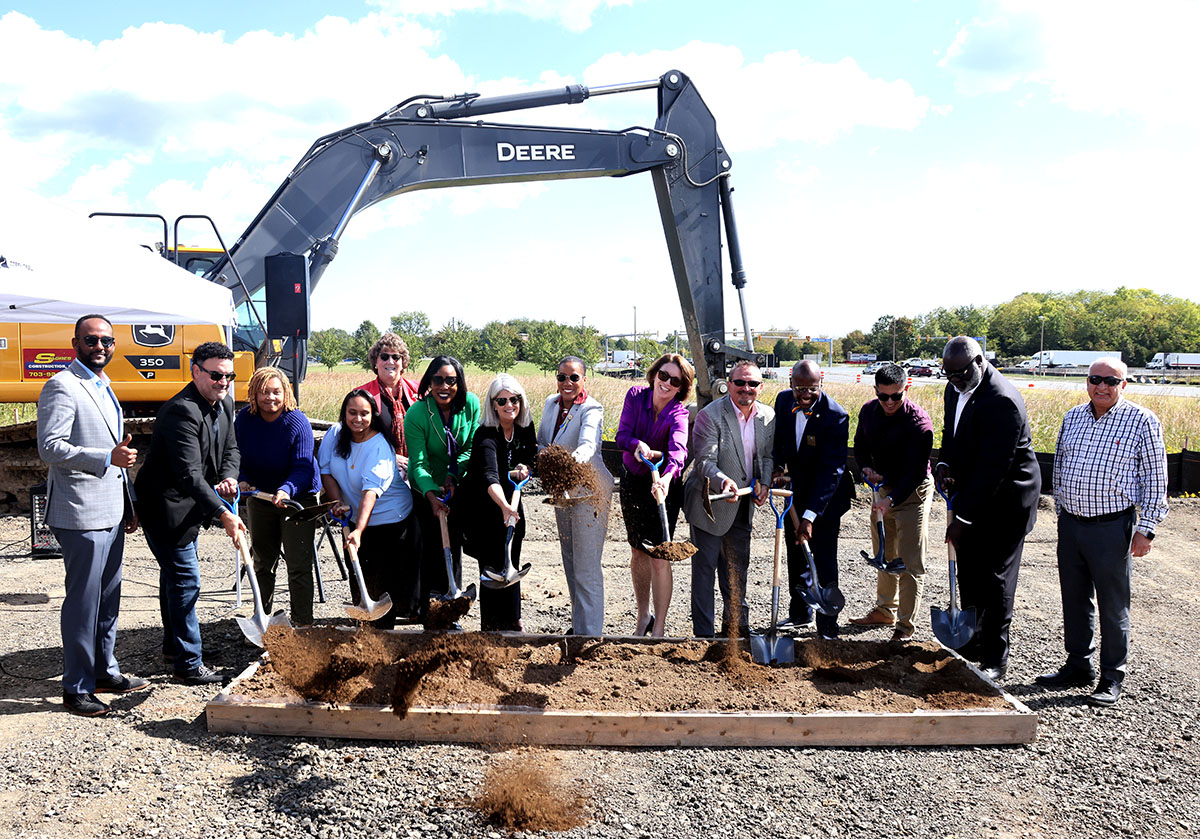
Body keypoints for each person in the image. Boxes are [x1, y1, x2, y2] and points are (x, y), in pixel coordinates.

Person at [1037, 357, 1168, 707]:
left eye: (1112, 381)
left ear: (1124, 385)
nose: (1103, 387)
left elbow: (1156, 480)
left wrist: (1147, 530)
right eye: (1096, 379)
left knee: (1113, 604)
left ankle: (1112, 675)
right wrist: (1062, 511)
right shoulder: (1073, 417)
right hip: (1072, 524)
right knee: (1075, 599)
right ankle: (1078, 664)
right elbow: (1062, 465)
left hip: (1112, 526)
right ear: (1087, 382)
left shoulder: (1141, 421)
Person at [37, 314, 147, 717]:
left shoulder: (103, 384)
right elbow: (50, 447)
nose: (100, 346)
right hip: (80, 513)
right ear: (75, 343)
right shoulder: (62, 386)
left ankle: (104, 671)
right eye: (91, 340)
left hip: (111, 510)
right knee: (84, 603)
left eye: (106, 340)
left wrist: (127, 503)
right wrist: (105, 457)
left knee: (108, 598)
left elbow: (116, 455)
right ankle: (77, 688)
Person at [135, 341, 245, 686]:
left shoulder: (223, 404)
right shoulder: (180, 411)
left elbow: (231, 449)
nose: (223, 382)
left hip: (190, 506)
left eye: (229, 376)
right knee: (186, 579)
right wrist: (224, 513)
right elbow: (189, 475)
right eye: (215, 375)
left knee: (174, 578)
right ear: (195, 370)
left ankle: (175, 647)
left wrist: (229, 475)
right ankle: (188, 663)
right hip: (165, 507)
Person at [936, 336, 1041, 681]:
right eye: (948, 375)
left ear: (980, 361)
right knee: (968, 570)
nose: (955, 382)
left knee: (994, 578)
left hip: (1007, 501)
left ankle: (996, 656)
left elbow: (992, 469)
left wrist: (962, 518)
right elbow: (952, 435)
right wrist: (944, 465)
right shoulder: (956, 388)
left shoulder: (1003, 401)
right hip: (974, 492)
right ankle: (973, 641)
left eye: (961, 374)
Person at [682, 361, 774, 638]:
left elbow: (766, 457)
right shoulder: (711, 415)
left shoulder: (767, 417)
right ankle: (704, 636)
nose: (746, 389)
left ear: (760, 386)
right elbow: (704, 461)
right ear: (729, 384)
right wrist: (724, 480)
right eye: (740, 383)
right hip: (709, 502)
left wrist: (765, 482)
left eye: (753, 384)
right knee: (705, 571)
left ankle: (734, 630)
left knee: (736, 569)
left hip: (742, 504)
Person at [318, 389, 418, 629]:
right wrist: (337, 503)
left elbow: (369, 493)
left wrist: (358, 531)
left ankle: (385, 637)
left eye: (364, 413)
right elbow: (326, 470)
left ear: (373, 415)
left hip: (390, 520)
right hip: (354, 517)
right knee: (358, 571)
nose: (358, 419)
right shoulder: (336, 434)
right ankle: (363, 628)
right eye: (352, 413)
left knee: (385, 582)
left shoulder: (380, 446)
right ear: (344, 414)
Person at [849, 362, 935, 641]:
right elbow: (860, 446)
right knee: (884, 553)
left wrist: (891, 500)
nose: (889, 402)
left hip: (913, 493)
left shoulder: (919, 424)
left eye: (895, 396)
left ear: (905, 389)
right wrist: (865, 470)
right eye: (883, 396)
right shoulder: (868, 412)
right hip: (883, 488)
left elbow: (914, 473)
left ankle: (905, 626)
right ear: (875, 391)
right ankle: (885, 610)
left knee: (910, 561)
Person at [771, 360, 854, 639]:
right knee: (796, 554)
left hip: (826, 498)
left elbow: (833, 470)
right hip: (796, 490)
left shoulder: (835, 416)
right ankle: (800, 612)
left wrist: (810, 516)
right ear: (791, 383)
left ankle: (828, 624)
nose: (805, 395)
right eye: (800, 388)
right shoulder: (783, 401)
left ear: (822, 382)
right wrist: (777, 466)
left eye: (812, 389)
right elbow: (779, 442)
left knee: (824, 556)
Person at [234, 366, 321, 626]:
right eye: (263, 392)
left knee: (298, 564)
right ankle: (263, 619)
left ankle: (303, 623)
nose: (270, 398)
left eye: (275, 392)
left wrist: (286, 490)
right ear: (253, 394)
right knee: (262, 561)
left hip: (296, 499)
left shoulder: (297, 421)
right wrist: (242, 478)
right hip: (261, 498)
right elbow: (239, 456)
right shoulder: (244, 420)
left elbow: (304, 467)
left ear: (286, 393)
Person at [615, 353, 693, 638]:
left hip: (664, 487)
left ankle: (659, 628)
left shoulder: (679, 414)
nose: (667, 383)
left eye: (675, 380)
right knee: (638, 550)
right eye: (663, 376)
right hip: (634, 480)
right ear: (654, 375)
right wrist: (637, 444)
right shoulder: (636, 396)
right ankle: (643, 615)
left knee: (660, 555)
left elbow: (678, 452)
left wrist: (667, 478)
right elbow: (622, 435)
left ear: (681, 387)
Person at [536, 356, 613, 636]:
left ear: (584, 380)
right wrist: (542, 456)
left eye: (573, 378)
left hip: (590, 492)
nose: (567, 383)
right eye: (561, 377)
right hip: (564, 492)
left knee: (587, 565)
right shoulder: (550, 404)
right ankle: (579, 627)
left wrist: (569, 462)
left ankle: (590, 634)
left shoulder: (591, 408)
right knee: (570, 562)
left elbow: (588, 445)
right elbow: (544, 440)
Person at [458, 374, 537, 631]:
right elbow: (489, 475)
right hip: (484, 505)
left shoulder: (525, 428)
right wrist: (504, 506)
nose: (509, 405)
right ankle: (491, 626)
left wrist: (524, 468)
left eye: (514, 399)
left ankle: (513, 620)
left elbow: (528, 457)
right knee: (492, 565)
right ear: (493, 404)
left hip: (512, 500)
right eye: (501, 400)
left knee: (512, 558)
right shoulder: (485, 434)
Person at [404, 356, 480, 620]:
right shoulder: (417, 414)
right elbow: (418, 462)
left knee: (453, 546)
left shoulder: (470, 405)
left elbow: (470, 446)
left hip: (455, 486)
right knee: (430, 549)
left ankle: (451, 611)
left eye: (451, 380)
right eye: (438, 380)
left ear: (459, 383)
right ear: (429, 381)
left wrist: (452, 476)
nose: (444, 386)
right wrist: (431, 494)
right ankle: (428, 611)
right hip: (425, 489)